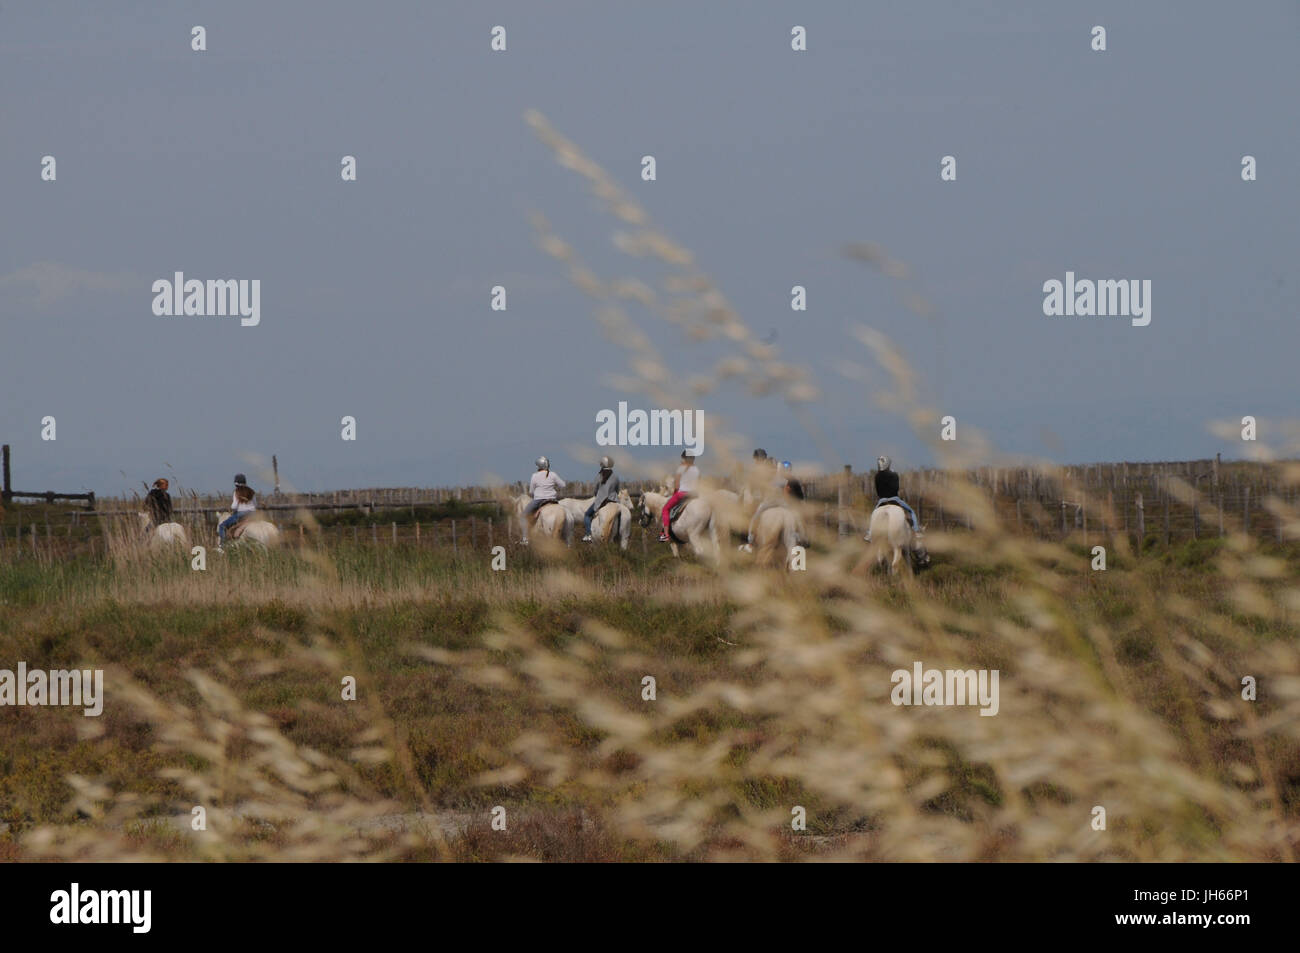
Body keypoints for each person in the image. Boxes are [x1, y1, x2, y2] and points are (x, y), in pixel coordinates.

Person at [865, 455, 921, 539]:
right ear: (888, 464)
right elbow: (896, 488)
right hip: (895, 499)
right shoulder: (894, 475)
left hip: (882, 500)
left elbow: (877, 490)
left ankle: (870, 533)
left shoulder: (877, 476)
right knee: (911, 511)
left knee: (873, 515)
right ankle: (916, 531)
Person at [739, 455, 786, 553]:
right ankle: (799, 537)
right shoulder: (782, 478)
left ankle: (750, 541)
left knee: (754, 519)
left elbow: (759, 492)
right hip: (782, 504)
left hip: (768, 503)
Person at [521, 456, 565, 544]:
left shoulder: (534, 476)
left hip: (538, 500)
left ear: (539, 466)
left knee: (523, 516)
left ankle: (525, 539)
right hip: (552, 500)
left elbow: (531, 491)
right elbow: (563, 485)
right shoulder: (553, 474)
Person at [660, 450, 699, 542]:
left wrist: (674, 494)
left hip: (682, 494)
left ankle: (665, 535)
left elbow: (677, 486)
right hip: (694, 494)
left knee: (665, 509)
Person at [582, 456, 620, 542]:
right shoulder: (616, 476)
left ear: (602, 465)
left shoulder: (598, 476)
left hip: (601, 501)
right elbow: (617, 490)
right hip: (614, 501)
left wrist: (598, 495)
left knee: (587, 515)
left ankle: (588, 535)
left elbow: (595, 490)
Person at [218, 474, 257, 548]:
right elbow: (255, 504)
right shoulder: (252, 491)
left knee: (222, 526)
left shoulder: (237, 492)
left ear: (236, 483)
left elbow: (234, 506)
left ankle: (222, 546)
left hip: (241, 514)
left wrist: (233, 509)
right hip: (253, 514)